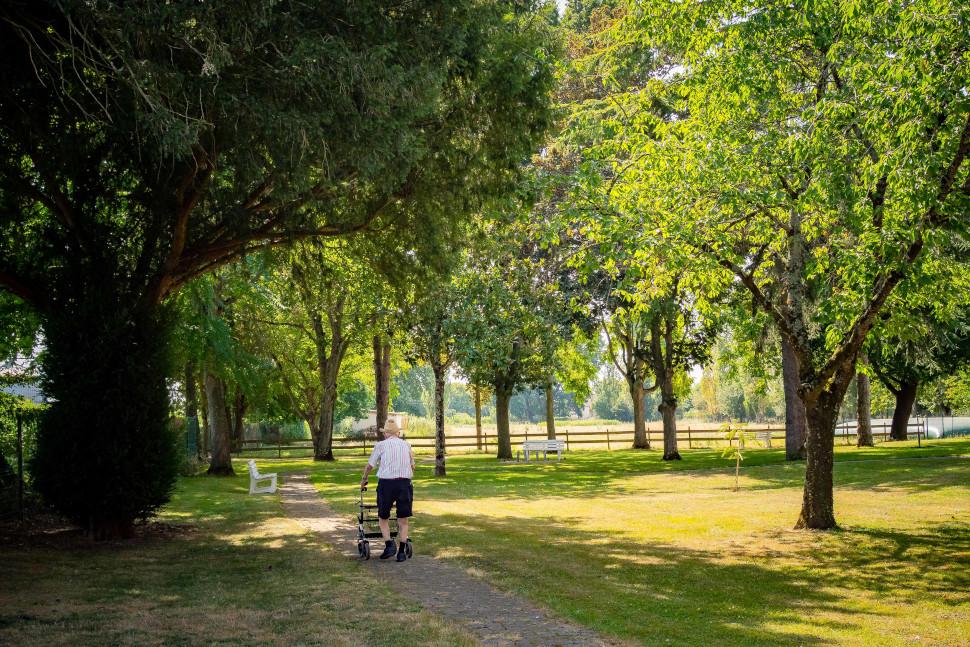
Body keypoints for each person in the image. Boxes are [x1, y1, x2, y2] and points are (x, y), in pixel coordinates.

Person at [360, 419, 415, 561]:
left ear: (386, 434)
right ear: (398, 433)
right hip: (405, 484)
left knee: (383, 517)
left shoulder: (380, 445)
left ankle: (389, 544)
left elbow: (370, 465)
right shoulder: (407, 445)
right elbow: (412, 466)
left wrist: (364, 479)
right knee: (403, 520)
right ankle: (401, 552)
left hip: (387, 484)